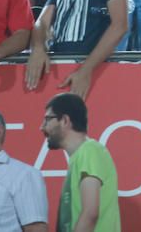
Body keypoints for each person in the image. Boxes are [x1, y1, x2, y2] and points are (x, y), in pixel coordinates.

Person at [41, 93, 120, 232]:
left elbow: (90, 213)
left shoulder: (89, 150)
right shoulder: (80, 156)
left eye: (47, 119)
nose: (42, 127)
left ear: (65, 120)